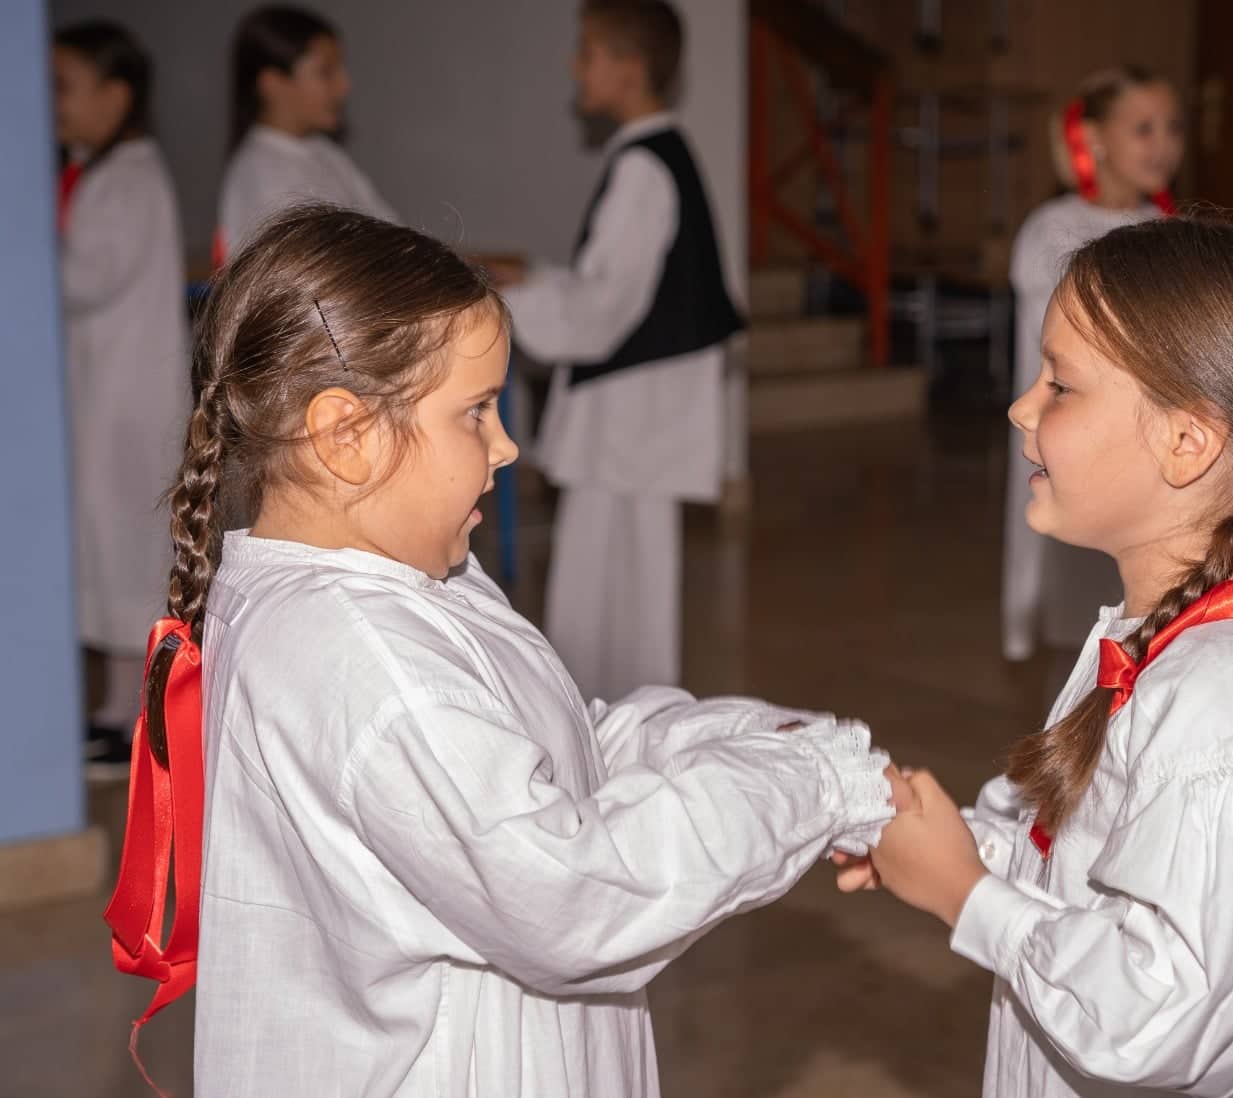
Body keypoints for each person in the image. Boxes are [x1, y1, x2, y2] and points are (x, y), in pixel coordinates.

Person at [108, 206, 897, 1098]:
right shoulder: (367, 665)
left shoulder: (411, 581)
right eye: (476, 413)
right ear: (345, 437)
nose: (507, 445)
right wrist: (812, 788)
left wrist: (780, 744)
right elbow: (575, 894)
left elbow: (561, 747)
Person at [845, 219, 1233, 1098]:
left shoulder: (1229, 701)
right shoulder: (1163, 641)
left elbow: (1168, 1014)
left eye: (1061, 385)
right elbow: (1101, 868)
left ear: (1187, 442)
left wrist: (968, 896)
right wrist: (954, 846)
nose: (1021, 409)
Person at [496, 0, 743, 702]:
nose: (576, 68)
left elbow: (602, 312)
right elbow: (616, 287)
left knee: (608, 589)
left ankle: (606, 720)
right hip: (639, 414)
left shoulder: (643, 169)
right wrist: (537, 282)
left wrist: (505, 300)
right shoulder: (659, 155)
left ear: (630, 70)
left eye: (589, 54)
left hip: (630, 419)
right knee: (627, 583)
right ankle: (624, 716)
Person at [1002, 66, 1182, 664]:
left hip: (1142, 429)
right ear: (1097, 139)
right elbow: (1057, 343)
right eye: (1144, 129)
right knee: (1074, 587)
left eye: (1173, 128)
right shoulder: (1052, 229)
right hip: (1074, 425)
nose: (1164, 146)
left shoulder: (1169, 232)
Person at [52, 19, 191, 771]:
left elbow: (85, 279)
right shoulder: (95, 172)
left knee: (130, 560)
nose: (51, 103)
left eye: (64, 87)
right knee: (109, 559)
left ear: (116, 95)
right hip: (103, 398)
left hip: (128, 405)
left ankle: (142, 721)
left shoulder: (130, 178)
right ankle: (113, 714)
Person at [214, 4, 395, 262]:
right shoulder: (261, 172)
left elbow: (390, 233)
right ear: (272, 83)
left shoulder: (324, 151)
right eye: (326, 72)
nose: (344, 86)